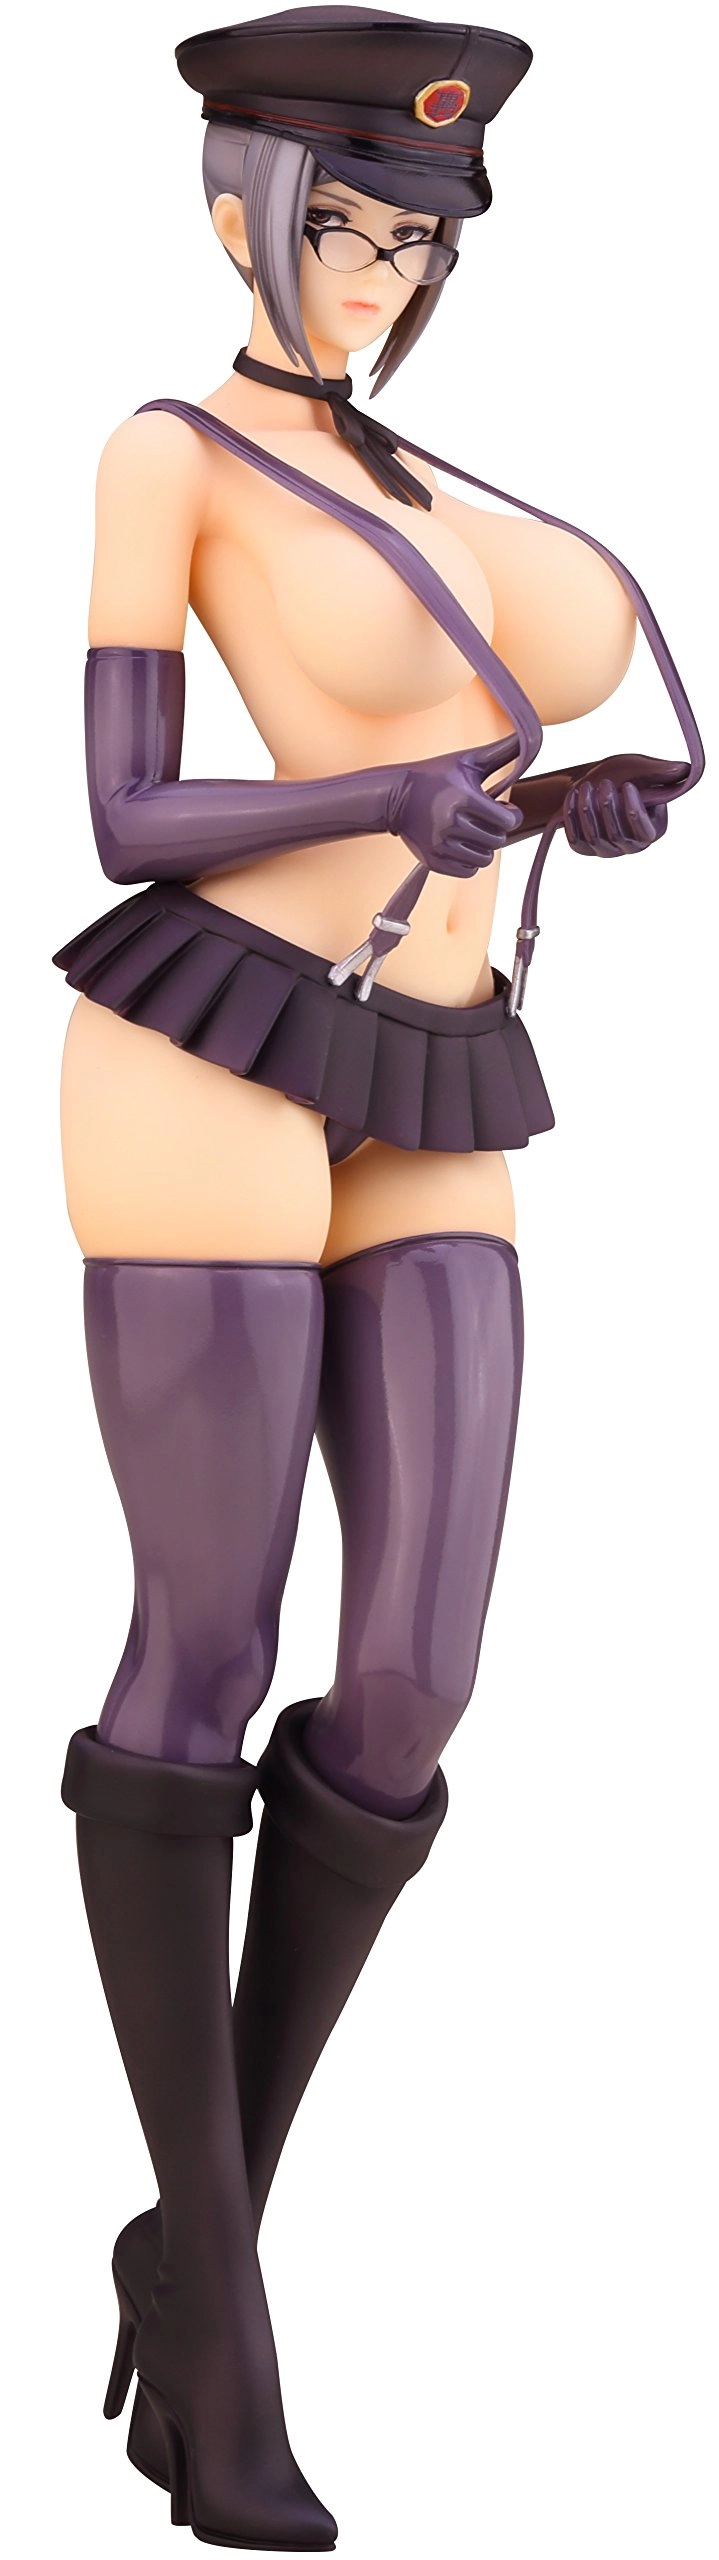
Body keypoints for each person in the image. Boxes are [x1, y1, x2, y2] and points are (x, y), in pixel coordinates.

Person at [54, 10, 703, 2549]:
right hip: (210, 1040)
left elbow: (502, 735)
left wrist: (551, 798)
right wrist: (382, 788)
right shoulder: (168, 451)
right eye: (342, 225)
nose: (380, 274)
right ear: (234, 204)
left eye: (416, 243)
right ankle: (227, 2336)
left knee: (414, 1673)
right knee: (206, 1644)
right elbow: (124, 801)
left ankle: (190, 2242)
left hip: (433, 1059)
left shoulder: (453, 484)